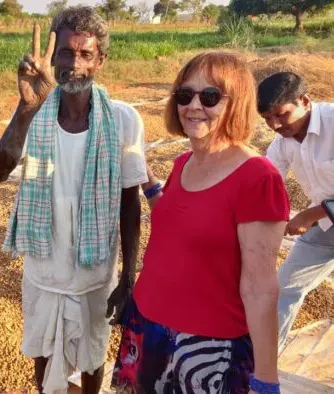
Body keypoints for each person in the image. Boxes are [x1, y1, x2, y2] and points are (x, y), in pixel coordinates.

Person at [0, 7, 147, 394]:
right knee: (41, 360)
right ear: (51, 57)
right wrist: (26, 109)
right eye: (64, 53)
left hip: (96, 276)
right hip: (44, 272)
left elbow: (130, 204)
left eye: (85, 54)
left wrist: (128, 278)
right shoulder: (36, 114)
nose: (73, 64)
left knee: (93, 362)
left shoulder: (123, 120)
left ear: (100, 60)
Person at [111, 52, 290, 393]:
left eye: (209, 97)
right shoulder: (183, 163)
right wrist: (148, 182)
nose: (194, 105)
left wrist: (265, 378)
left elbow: (260, 287)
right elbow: (181, 221)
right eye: (185, 94)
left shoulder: (257, 178)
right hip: (148, 324)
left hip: (206, 347)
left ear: (235, 104)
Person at [258, 72, 334, 353]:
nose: (274, 125)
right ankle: (262, 369)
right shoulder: (282, 142)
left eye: (281, 115)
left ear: (305, 101)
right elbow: (265, 186)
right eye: (267, 119)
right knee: (284, 289)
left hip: (320, 218)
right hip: (326, 229)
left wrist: (312, 213)